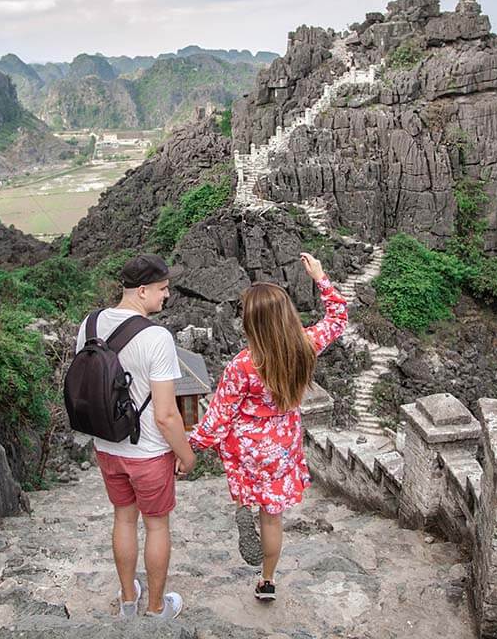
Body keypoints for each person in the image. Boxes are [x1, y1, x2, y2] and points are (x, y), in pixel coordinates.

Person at [188, 252, 347, 601]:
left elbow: (218, 417)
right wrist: (320, 276)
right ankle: (268, 579)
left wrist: (190, 447)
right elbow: (337, 318)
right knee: (272, 518)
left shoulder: (242, 365)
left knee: (243, 469)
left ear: (251, 323)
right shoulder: (304, 345)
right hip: (283, 443)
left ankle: (243, 503)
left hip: (247, 449)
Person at [75, 254, 196, 619]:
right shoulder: (157, 337)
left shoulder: (90, 323)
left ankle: (129, 600)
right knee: (156, 525)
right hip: (148, 454)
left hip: (106, 446)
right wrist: (187, 455)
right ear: (142, 291)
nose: (167, 295)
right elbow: (166, 414)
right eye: (162, 289)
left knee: (123, 519)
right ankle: (157, 609)